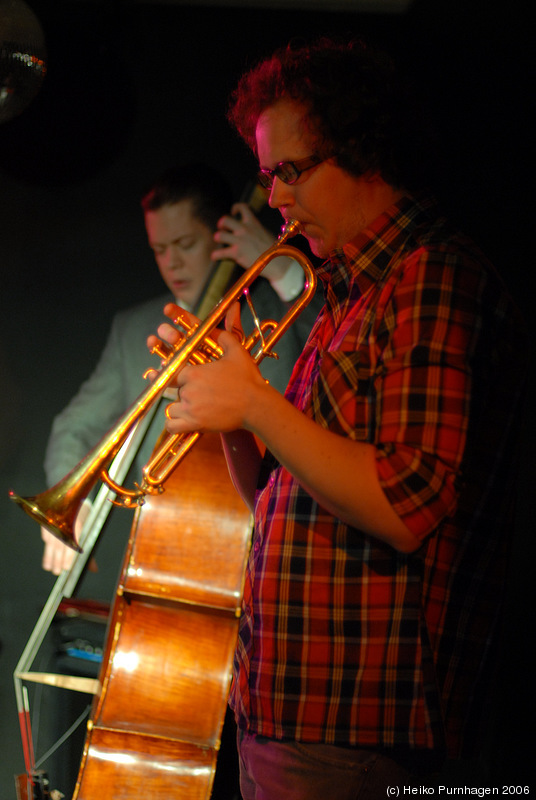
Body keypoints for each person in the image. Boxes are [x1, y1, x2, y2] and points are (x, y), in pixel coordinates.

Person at [152, 39, 528, 797]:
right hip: (288, 711)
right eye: (267, 178)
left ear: (364, 148)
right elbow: (272, 492)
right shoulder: (347, 294)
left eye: (289, 172)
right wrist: (232, 406)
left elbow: (405, 503)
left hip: (358, 724)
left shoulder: (430, 275)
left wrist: (257, 401)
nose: (276, 199)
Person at [41, 163, 321, 576]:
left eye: (185, 244)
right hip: (166, 553)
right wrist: (74, 503)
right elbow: (73, 428)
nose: (171, 263)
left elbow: (334, 339)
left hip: (277, 543)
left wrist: (278, 267)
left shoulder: (280, 306)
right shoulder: (134, 328)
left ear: (222, 234)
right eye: (159, 250)